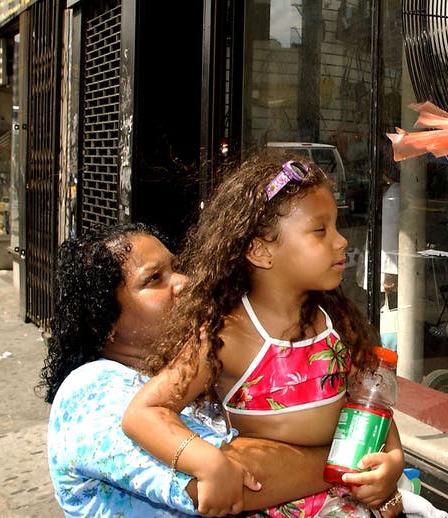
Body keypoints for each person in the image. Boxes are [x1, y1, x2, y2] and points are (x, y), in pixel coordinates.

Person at [122, 152, 406, 517]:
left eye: (337, 226)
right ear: (260, 249)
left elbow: (372, 404)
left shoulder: (336, 322)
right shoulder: (226, 335)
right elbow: (144, 412)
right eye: (320, 230)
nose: (340, 242)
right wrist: (205, 461)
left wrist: (393, 460)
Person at [39, 222, 331, 517]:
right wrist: (349, 457)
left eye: (176, 267)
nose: (184, 282)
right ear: (104, 320)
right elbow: (236, 479)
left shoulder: (189, 369)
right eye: (154, 279)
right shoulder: (91, 394)